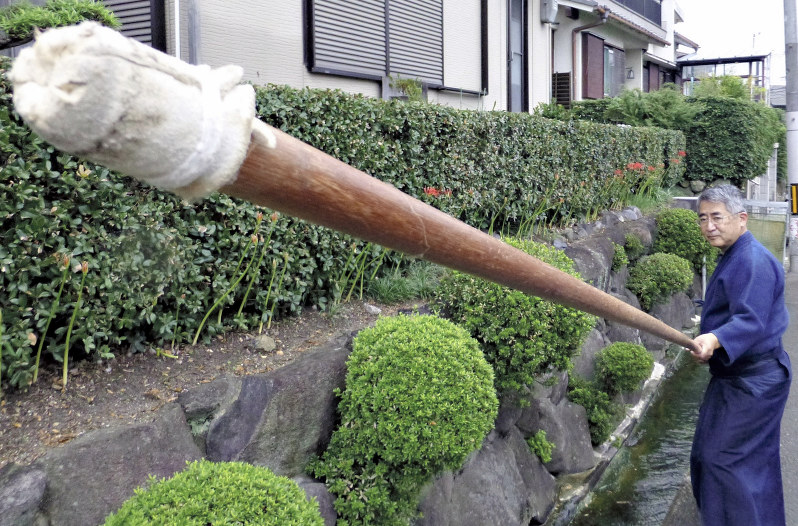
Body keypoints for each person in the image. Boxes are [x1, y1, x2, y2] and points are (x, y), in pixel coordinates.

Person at [689, 184, 791, 526]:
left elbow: (750, 319)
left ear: (741, 218)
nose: (709, 226)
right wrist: (712, 341)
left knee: (722, 461)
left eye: (717, 217)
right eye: (703, 218)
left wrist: (714, 339)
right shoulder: (736, 253)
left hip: (755, 380)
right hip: (738, 376)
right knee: (718, 458)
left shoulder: (752, 260)